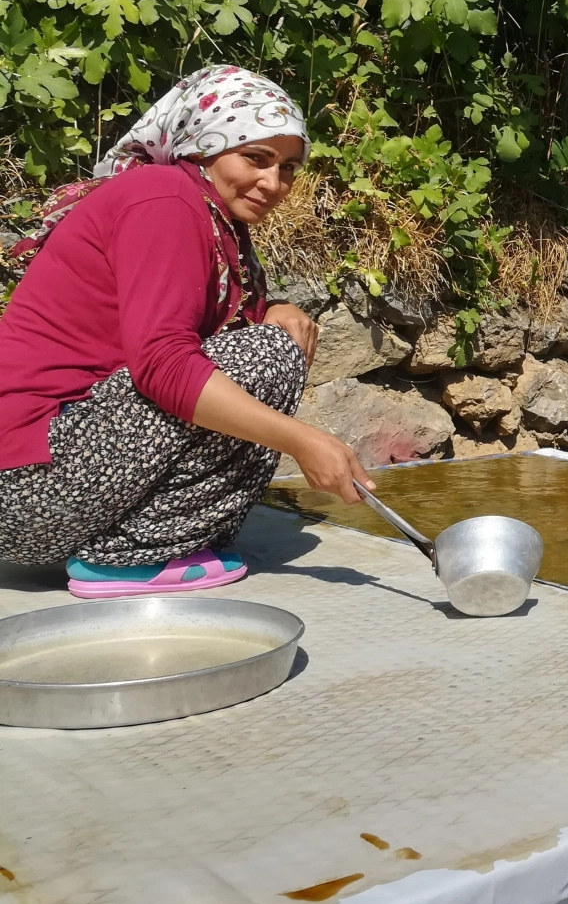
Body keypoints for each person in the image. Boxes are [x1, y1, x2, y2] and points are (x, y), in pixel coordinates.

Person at [0, 64, 372, 599]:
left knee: (273, 342)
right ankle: (127, 559)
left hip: (46, 484)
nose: (274, 182)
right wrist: (305, 442)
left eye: (289, 167)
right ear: (202, 146)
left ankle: (146, 541)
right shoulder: (165, 198)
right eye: (255, 158)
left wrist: (278, 307)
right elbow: (164, 364)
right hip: (27, 489)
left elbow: (209, 337)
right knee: (268, 357)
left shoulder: (211, 216)